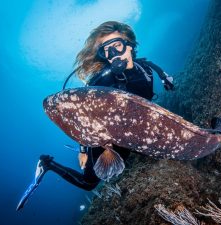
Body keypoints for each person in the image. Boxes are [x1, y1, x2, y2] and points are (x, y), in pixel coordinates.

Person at [17, 21, 174, 211]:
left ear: (130, 45)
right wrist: (84, 150)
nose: (114, 54)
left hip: (132, 130)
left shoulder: (147, 69)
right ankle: (47, 164)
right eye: (107, 50)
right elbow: (84, 116)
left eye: (117, 45)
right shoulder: (100, 80)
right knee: (89, 183)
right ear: (103, 55)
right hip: (104, 139)